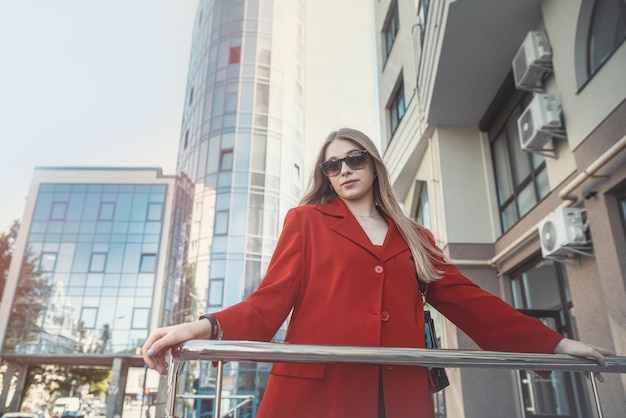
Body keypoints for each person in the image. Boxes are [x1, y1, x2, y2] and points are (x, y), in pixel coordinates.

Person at [143, 128, 614, 418]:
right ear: (325, 175)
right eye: (333, 164)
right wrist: (198, 327)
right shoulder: (305, 221)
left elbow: (471, 301)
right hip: (317, 395)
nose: (344, 169)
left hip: (400, 393)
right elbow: (268, 304)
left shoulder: (415, 236)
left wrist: (555, 343)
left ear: (373, 165)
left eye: (354, 159)